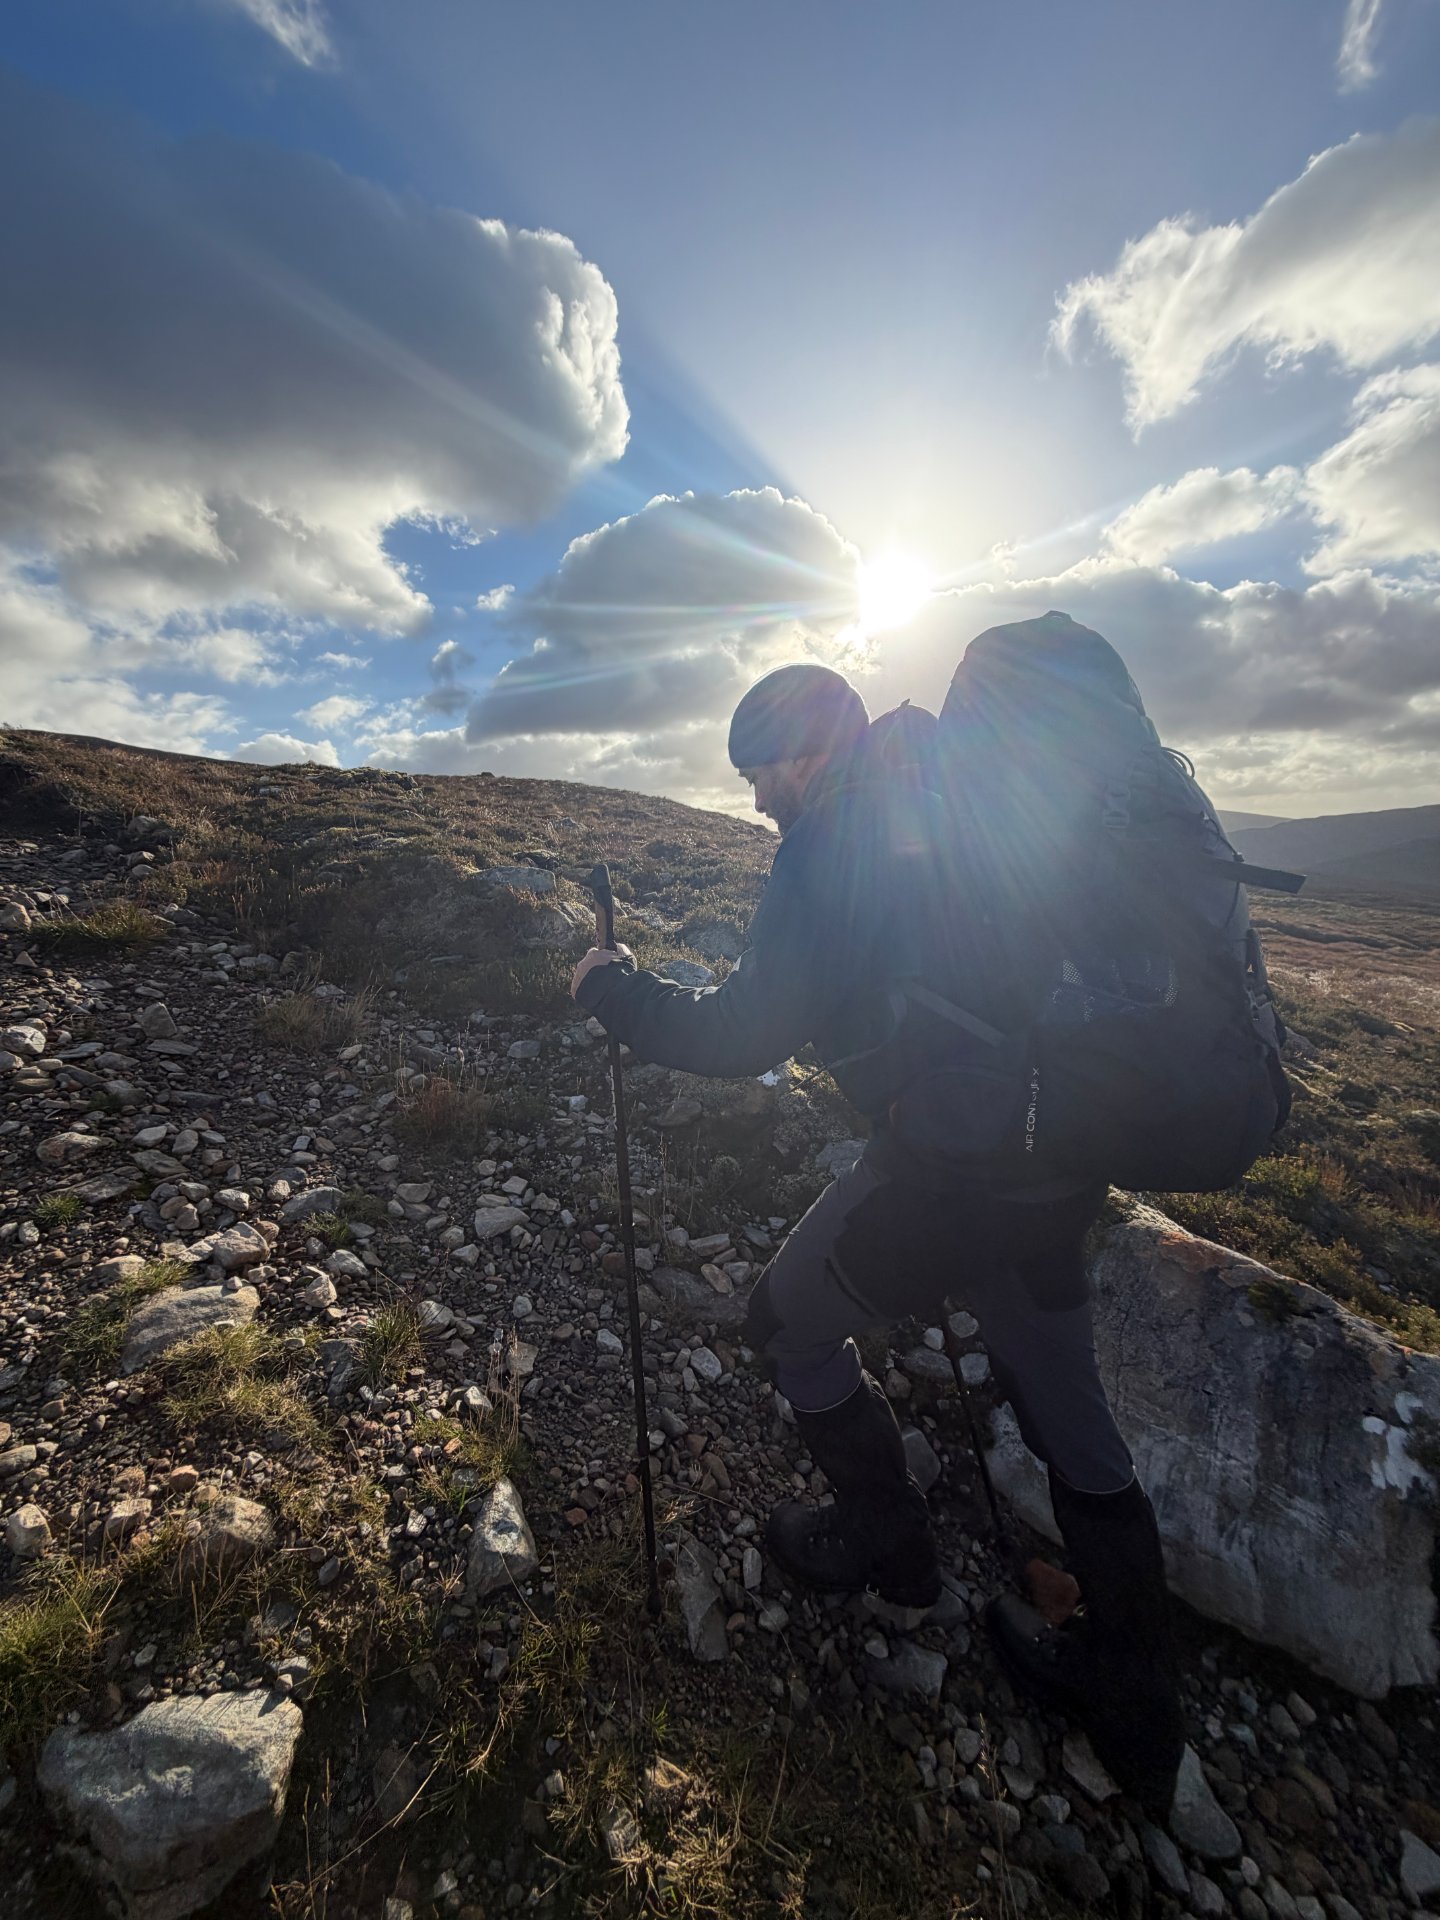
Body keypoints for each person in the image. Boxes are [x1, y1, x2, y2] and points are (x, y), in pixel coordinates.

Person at [570, 661, 1184, 1815]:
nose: (757, 801)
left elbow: (744, 1033)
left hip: (950, 1176)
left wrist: (613, 991)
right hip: (1056, 1157)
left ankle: (888, 1546)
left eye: (761, 774)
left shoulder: (830, 843)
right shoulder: (958, 801)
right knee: (1074, 1424)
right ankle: (1140, 1712)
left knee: (781, 1327)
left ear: (808, 753)